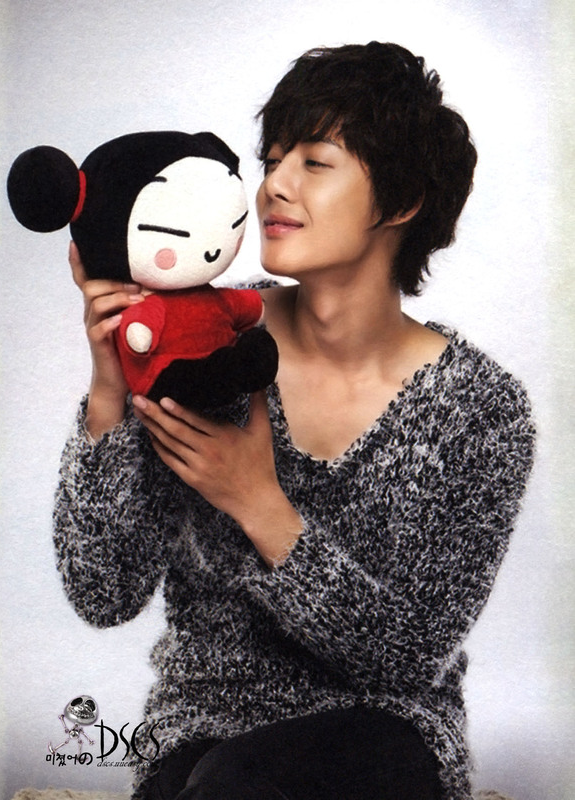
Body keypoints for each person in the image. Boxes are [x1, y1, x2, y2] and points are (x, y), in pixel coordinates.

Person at [53, 42, 535, 800]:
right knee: (213, 782)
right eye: (271, 160)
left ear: (402, 200)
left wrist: (260, 505)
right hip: (205, 730)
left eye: (313, 162)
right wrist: (109, 389)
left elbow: (408, 658)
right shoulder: (199, 347)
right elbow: (101, 592)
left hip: (385, 732)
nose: (273, 185)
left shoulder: (480, 410)